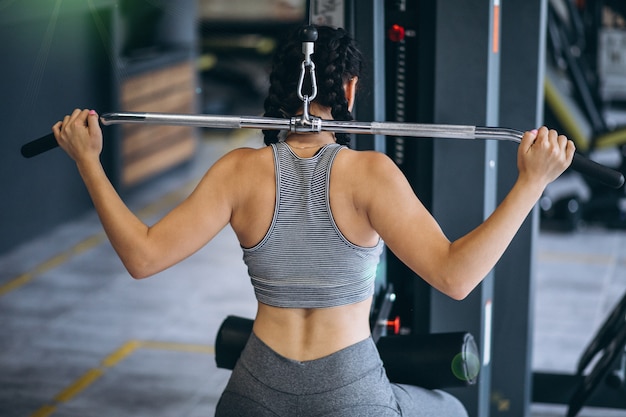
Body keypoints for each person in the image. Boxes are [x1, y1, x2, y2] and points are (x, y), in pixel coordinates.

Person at [52, 25, 574, 417]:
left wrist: (88, 163)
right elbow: (456, 278)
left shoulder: (238, 171)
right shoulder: (370, 173)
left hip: (254, 387)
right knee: (452, 410)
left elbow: (142, 257)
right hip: (348, 388)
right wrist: (532, 182)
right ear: (348, 91)